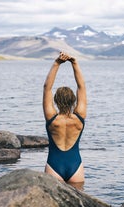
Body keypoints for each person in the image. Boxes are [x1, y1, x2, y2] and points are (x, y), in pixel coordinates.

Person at [43, 52, 87, 189]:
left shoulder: (52, 118)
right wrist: (75, 63)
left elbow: (47, 88)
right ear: (74, 100)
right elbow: (82, 87)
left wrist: (57, 63)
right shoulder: (79, 117)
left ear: (55, 100)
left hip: (54, 166)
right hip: (76, 166)